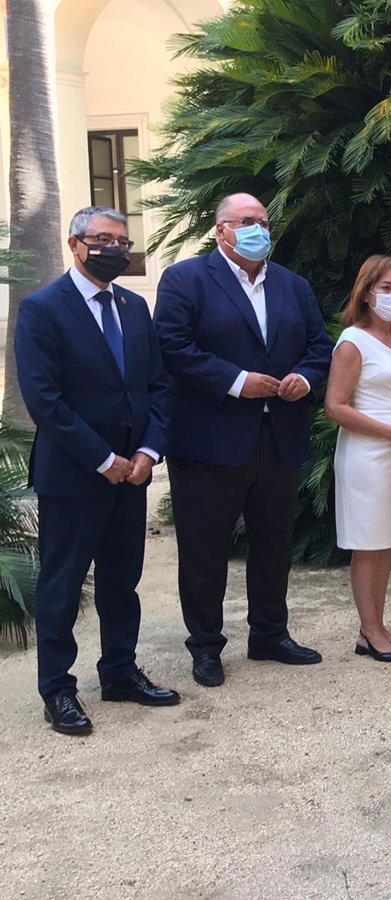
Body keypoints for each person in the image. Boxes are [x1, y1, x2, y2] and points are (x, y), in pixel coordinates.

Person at [154, 193, 333, 687]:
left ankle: (269, 635)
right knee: (204, 551)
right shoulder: (185, 279)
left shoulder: (292, 285)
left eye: (265, 222)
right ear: (221, 230)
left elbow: (319, 347)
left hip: (279, 437)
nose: (259, 230)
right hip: (209, 441)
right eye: (248, 221)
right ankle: (206, 646)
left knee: (274, 545)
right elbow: (173, 347)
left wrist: (304, 377)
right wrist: (236, 382)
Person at [15, 206, 179, 735]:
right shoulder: (43, 308)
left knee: (121, 581)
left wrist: (148, 452)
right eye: (103, 239)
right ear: (75, 244)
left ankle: (120, 673)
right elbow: (45, 400)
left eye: (123, 241)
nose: (114, 249)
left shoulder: (134, 306)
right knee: (61, 586)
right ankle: (57, 690)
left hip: (133, 473)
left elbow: (157, 387)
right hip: (74, 476)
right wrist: (103, 460)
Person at [325, 255, 391, 663]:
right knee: (366, 544)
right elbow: (336, 406)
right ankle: (369, 630)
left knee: (385, 543)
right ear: (367, 293)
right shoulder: (353, 342)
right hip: (367, 455)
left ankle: (377, 627)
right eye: (386, 288)